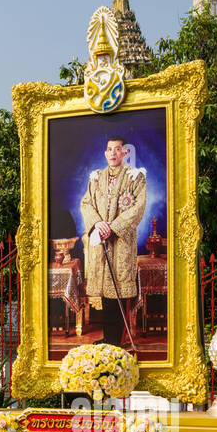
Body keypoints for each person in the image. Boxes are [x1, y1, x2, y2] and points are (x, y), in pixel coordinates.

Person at [78, 136, 146, 347]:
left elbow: (138, 208)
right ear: (105, 153)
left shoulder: (136, 177)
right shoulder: (96, 178)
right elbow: (86, 203)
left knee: (118, 289)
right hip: (101, 240)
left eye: (118, 149)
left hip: (121, 242)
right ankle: (109, 338)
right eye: (110, 149)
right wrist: (98, 224)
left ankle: (117, 339)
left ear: (124, 153)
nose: (113, 153)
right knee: (106, 292)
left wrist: (113, 227)